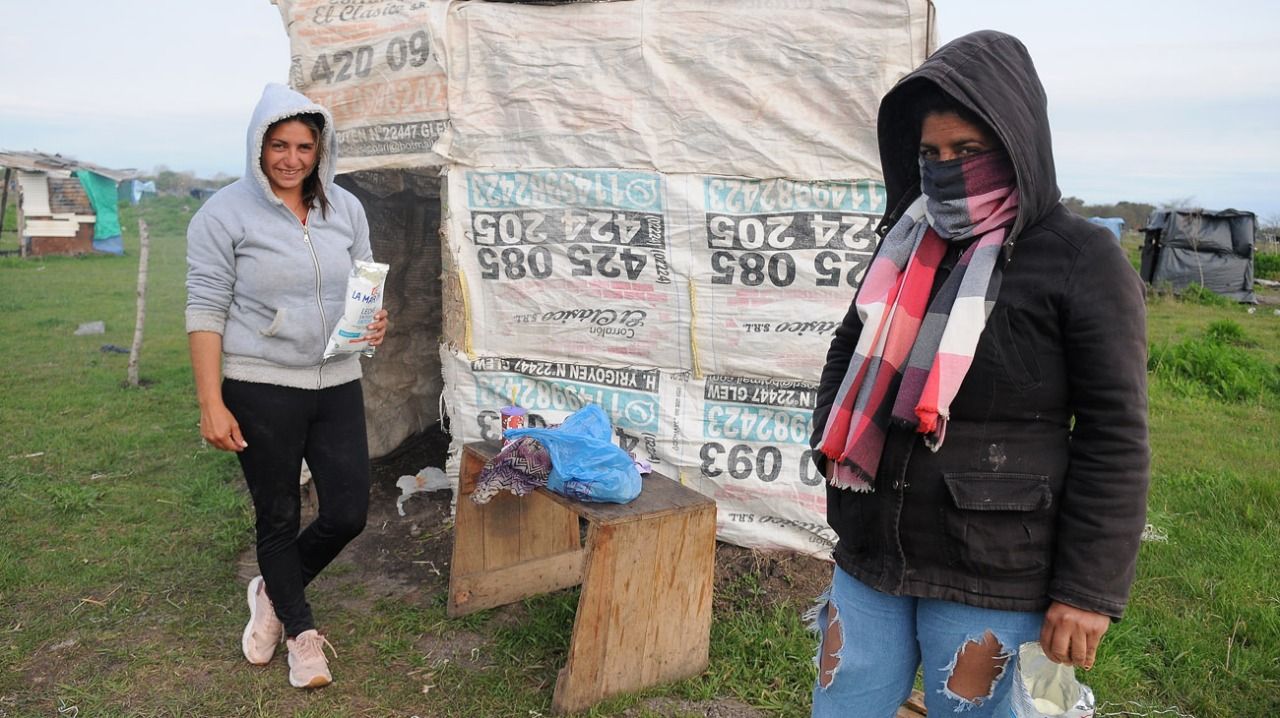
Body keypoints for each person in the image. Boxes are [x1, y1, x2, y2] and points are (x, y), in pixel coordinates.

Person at [809, 31, 1149, 716]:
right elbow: (850, 349)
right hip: (873, 551)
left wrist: (1087, 590)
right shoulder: (907, 243)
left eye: (967, 151)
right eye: (931, 154)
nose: (946, 170)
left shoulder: (1080, 260)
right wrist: (833, 438)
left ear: (1016, 143)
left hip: (993, 569)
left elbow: (1114, 434)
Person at [185, 84, 388, 689]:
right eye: (279, 145)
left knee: (348, 512)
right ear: (258, 146)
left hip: (337, 379)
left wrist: (377, 318)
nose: (291, 159)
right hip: (262, 384)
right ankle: (302, 637)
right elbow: (204, 309)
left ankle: (272, 592)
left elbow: (366, 283)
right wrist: (210, 403)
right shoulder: (222, 214)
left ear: (320, 150)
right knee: (277, 516)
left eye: (304, 146)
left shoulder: (345, 209)